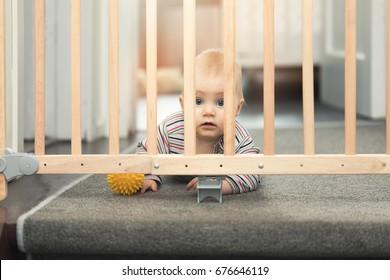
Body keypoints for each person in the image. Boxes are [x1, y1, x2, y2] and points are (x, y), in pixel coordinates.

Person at [137, 49, 260, 195]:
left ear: (237, 108)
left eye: (220, 102)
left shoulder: (237, 137)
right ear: (183, 105)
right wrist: (150, 176)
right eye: (198, 101)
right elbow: (145, 151)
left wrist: (224, 185)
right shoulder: (170, 129)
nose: (209, 111)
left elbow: (253, 171)